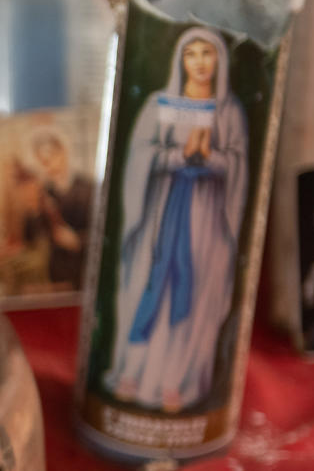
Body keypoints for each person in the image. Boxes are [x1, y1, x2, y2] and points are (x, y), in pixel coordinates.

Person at [105, 28, 250, 411]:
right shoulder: (160, 103)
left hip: (205, 222)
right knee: (149, 289)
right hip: (160, 215)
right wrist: (177, 158)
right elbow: (140, 155)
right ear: (180, 60)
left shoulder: (229, 110)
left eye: (208, 54)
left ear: (219, 60)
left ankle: (177, 381)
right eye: (192, 54)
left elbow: (238, 164)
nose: (200, 62)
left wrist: (209, 159)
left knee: (195, 296)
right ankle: (134, 375)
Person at [28, 130, 92, 289]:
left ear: (63, 153)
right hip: (57, 274)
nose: (47, 165)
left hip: (85, 271)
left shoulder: (88, 189)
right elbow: (31, 238)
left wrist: (78, 241)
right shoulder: (45, 192)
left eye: (50, 158)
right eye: (42, 161)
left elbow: (105, 233)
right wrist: (35, 212)